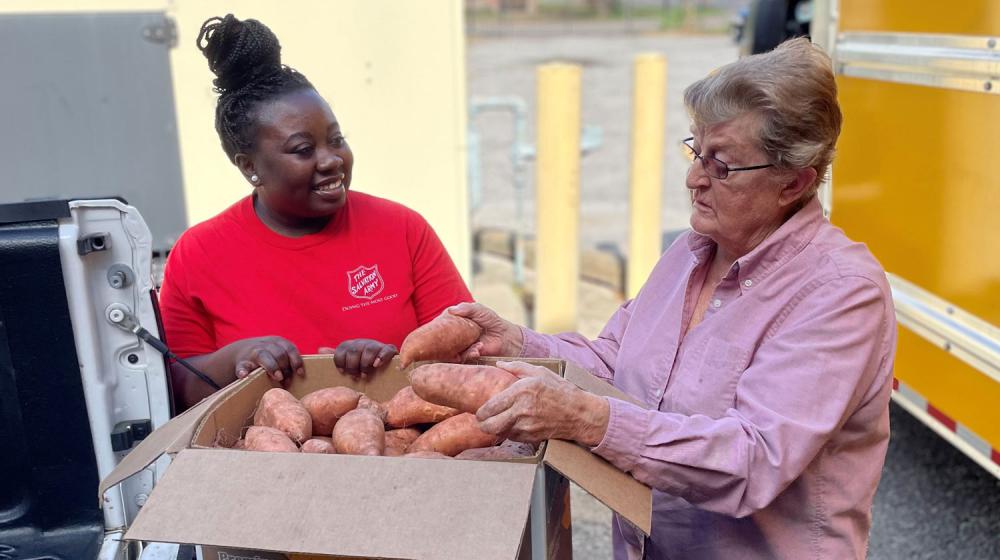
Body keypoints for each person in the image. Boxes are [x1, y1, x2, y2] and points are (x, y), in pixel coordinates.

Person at [452, 38, 897, 559]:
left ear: (792, 182)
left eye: (722, 166)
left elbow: (752, 461)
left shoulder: (841, 293)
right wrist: (518, 341)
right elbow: (614, 361)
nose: (693, 179)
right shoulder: (691, 252)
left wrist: (586, 420)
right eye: (696, 151)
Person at [158, 14, 472, 410]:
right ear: (249, 166)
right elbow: (176, 389)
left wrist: (393, 360)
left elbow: (468, 346)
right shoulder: (198, 253)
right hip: (259, 461)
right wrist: (236, 358)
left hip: (406, 446)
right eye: (303, 150)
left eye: (336, 140)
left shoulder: (402, 229)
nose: (331, 160)